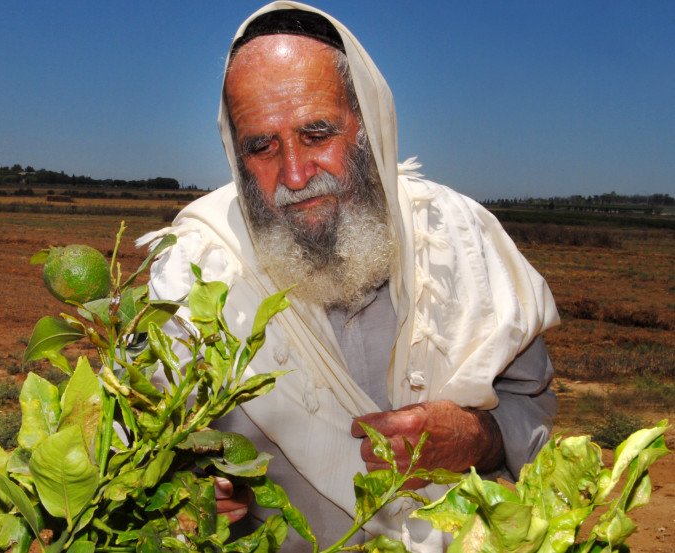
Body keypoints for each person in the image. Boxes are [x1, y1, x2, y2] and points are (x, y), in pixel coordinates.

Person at [139, 2, 560, 551]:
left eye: (316, 134)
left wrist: (481, 438)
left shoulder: (462, 239)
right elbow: (138, 451)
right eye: (261, 147)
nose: (293, 174)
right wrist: (182, 490)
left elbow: (530, 400)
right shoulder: (194, 271)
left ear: (368, 123)